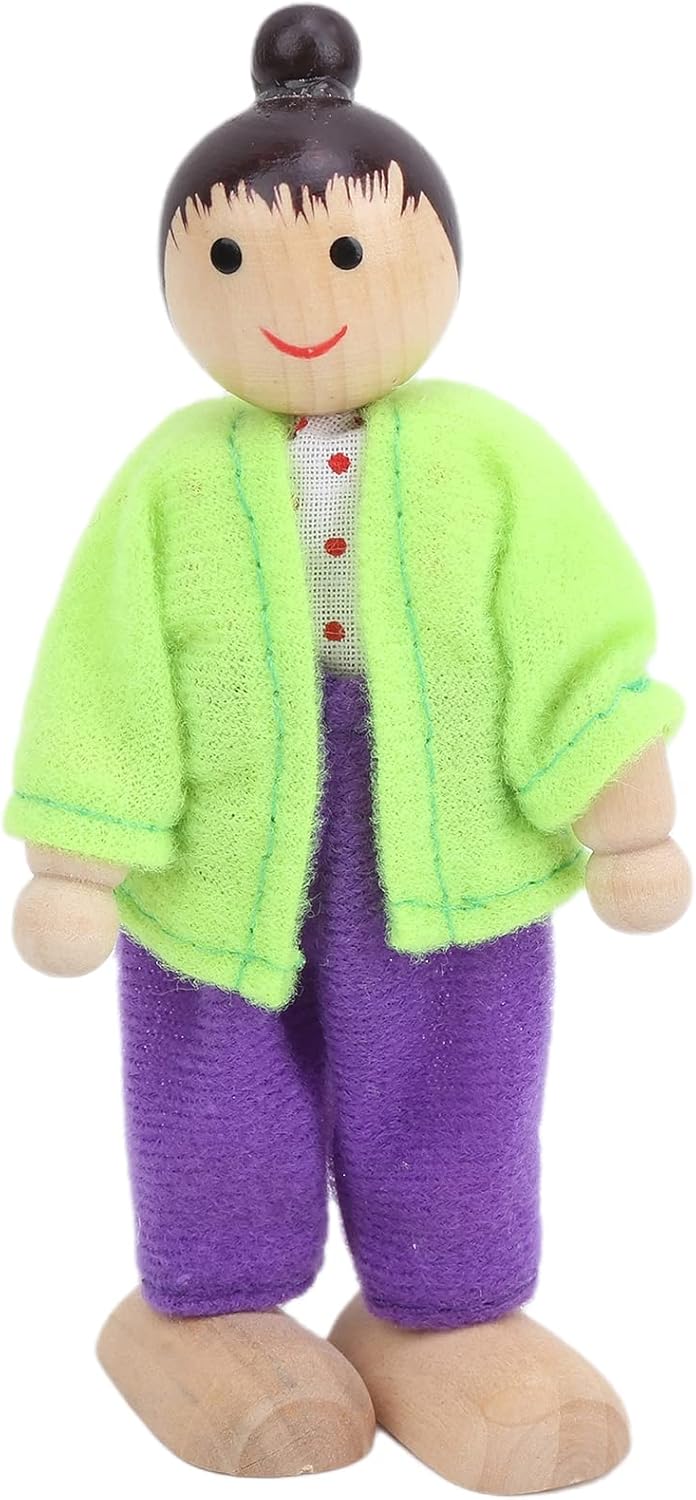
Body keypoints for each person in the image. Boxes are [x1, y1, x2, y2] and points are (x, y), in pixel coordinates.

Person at [8, 4, 689, 1491]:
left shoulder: (492, 454)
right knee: (209, 1061)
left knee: (457, 1057)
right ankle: (215, 1301)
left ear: (432, 257)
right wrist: (80, 853)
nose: (296, 300)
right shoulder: (169, 478)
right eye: (231, 261)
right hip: (218, 840)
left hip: (449, 828)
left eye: (344, 252)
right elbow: (108, 664)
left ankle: (446, 1307)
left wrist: (625, 812)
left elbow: (572, 630)